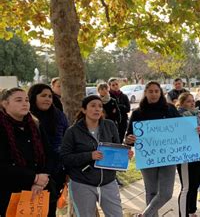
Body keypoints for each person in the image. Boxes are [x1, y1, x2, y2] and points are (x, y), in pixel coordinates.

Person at [60, 95, 132, 216]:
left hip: (108, 182)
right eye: (93, 106)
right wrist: (90, 156)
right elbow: (65, 158)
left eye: (100, 106)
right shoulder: (72, 131)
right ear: (84, 110)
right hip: (82, 184)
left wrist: (124, 154)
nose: (97, 109)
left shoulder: (110, 125)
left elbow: (116, 148)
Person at [125, 81, 181, 217]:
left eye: (156, 91)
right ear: (145, 93)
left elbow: (181, 129)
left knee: (166, 193)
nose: (154, 94)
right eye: (151, 91)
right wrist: (129, 139)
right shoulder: (138, 113)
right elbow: (128, 136)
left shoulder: (170, 109)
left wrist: (193, 131)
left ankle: (144, 215)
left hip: (168, 156)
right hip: (147, 157)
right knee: (151, 191)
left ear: (161, 92)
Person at [0, 88, 57, 216]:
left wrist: (42, 179)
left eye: (26, 100)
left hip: (42, 191)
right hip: (12, 194)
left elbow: (50, 154)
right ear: (4, 103)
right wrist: (33, 178)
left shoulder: (34, 125)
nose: (25, 103)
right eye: (18, 100)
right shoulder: (2, 128)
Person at [28, 84, 69, 208]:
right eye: (43, 96)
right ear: (33, 97)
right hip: (31, 174)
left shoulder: (59, 116)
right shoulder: (26, 117)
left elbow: (66, 142)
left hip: (55, 172)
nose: (47, 99)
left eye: (50, 96)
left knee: (49, 209)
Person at [175, 92, 200, 217]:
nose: (192, 103)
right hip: (188, 156)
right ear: (182, 103)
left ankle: (191, 210)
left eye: (193, 100)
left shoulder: (198, 113)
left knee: (195, 185)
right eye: (189, 101)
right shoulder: (179, 115)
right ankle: (183, 214)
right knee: (187, 187)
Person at [108, 78, 131, 143]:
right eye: (113, 85)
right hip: (112, 122)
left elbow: (128, 109)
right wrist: (122, 106)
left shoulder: (124, 96)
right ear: (109, 86)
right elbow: (109, 110)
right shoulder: (108, 97)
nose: (115, 86)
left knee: (120, 140)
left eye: (116, 84)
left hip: (123, 122)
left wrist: (118, 106)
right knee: (112, 141)